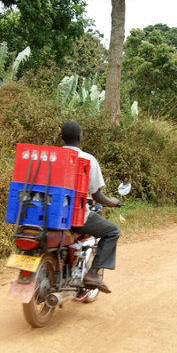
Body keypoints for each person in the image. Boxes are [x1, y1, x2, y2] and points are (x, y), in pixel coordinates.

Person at [60, 121, 121, 294]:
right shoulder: (88, 159)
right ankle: (93, 273)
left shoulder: (52, 156)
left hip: (47, 213)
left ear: (62, 138)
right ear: (80, 138)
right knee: (113, 231)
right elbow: (96, 195)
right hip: (75, 215)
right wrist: (112, 202)